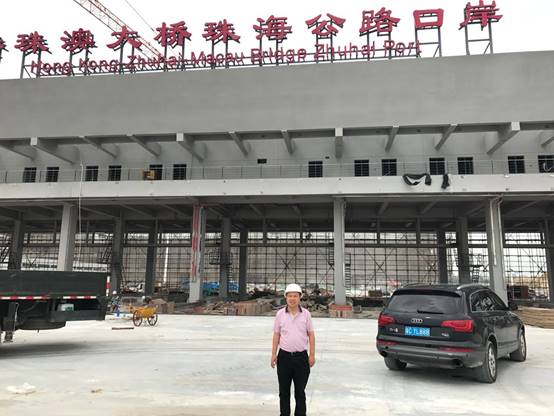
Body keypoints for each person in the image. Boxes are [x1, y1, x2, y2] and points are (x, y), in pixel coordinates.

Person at [271, 283, 316, 416]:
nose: (292, 299)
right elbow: (276, 335)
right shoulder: (280, 314)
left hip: (301, 358)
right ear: (286, 297)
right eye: (290, 296)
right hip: (284, 357)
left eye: (295, 296)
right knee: (283, 391)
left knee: (300, 392)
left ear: (299, 297)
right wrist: (273, 354)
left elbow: (311, 335)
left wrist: (312, 355)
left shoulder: (306, 314)